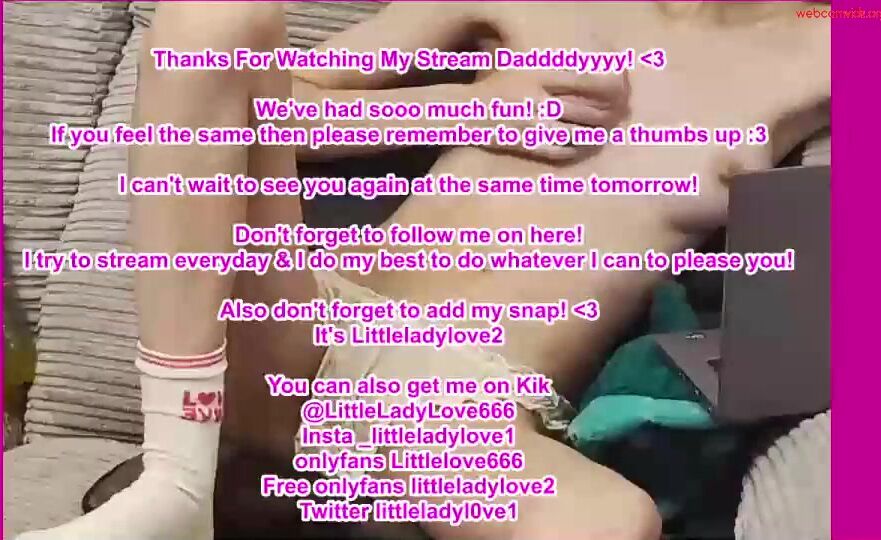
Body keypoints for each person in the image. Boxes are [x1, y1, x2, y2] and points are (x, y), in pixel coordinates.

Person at [16, 2, 829, 540]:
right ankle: (177, 476)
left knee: (610, 524)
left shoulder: (832, 42)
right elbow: (259, 101)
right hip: (299, 325)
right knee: (213, 17)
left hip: (456, 405)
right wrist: (460, 105)